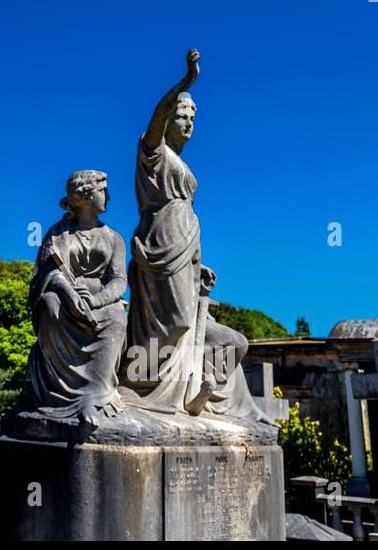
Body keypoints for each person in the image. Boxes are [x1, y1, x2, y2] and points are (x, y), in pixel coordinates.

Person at [124, 49, 268, 422]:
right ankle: (143, 385)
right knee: (176, 322)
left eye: (192, 118)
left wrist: (198, 264)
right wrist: (187, 82)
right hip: (159, 244)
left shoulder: (183, 165)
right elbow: (155, 118)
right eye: (181, 116)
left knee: (199, 329)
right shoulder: (152, 153)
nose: (188, 123)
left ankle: (193, 393)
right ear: (168, 119)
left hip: (184, 245)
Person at [23, 170, 128, 429]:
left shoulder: (114, 238)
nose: (109, 197)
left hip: (100, 303)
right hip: (61, 295)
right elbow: (46, 272)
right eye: (103, 191)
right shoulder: (57, 233)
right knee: (48, 304)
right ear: (85, 196)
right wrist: (69, 295)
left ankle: (97, 396)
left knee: (116, 317)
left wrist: (97, 300)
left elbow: (118, 280)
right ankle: (56, 397)